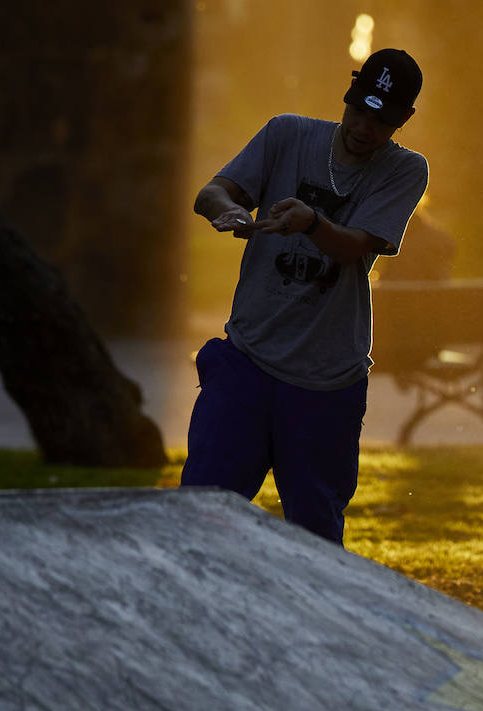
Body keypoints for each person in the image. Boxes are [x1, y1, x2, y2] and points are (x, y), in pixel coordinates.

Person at [180, 48, 429, 545]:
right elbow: (211, 191)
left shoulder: (406, 170)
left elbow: (355, 247)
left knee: (315, 537)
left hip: (326, 382)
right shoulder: (287, 133)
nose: (364, 127)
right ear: (347, 97)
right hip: (247, 360)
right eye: (358, 110)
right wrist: (226, 211)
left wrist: (311, 222)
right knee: (198, 514)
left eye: (381, 121)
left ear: (404, 120)